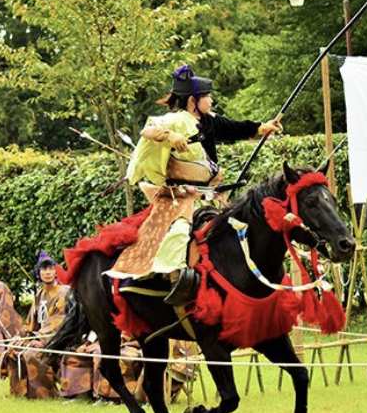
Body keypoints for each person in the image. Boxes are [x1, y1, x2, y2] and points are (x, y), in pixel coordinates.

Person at [116, 64, 282, 304]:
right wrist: (170, 136)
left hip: (211, 196)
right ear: (193, 100)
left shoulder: (209, 121)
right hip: (180, 198)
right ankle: (174, 282)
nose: (212, 100)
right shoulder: (174, 120)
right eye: (207, 96)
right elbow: (148, 129)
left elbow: (235, 127)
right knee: (179, 234)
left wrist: (262, 128)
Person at [0, 252, 70, 398]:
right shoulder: (40, 294)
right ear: (39, 273)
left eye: (50, 269)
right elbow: (31, 323)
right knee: (13, 350)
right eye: (44, 269)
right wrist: (19, 337)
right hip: (40, 336)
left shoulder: (65, 292)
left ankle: (44, 394)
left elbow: (59, 320)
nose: (48, 272)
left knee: (33, 353)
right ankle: (20, 392)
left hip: (59, 337)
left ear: (55, 271)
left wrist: (40, 339)